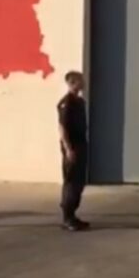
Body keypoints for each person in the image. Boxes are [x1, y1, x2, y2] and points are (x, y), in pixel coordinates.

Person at [58, 71, 90, 231]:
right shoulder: (66, 103)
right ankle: (67, 217)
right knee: (71, 182)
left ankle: (73, 215)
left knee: (79, 181)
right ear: (72, 83)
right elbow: (62, 128)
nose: (83, 83)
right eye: (80, 81)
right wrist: (68, 149)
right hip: (72, 147)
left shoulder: (80, 102)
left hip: (81, 144)